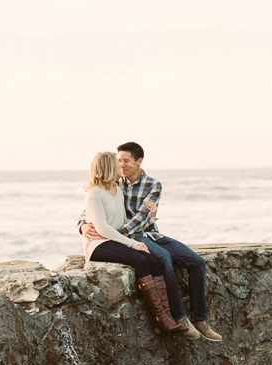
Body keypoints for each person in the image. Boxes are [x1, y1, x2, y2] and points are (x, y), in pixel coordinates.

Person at [79, 142, 222, 342]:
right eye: (118, 161)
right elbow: (89, 211)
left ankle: (201, 319)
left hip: (148, 233)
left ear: (139, 161)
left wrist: (115, 234)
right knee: (163, 258)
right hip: (131, 237)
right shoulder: (115, 183)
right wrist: (83, 226)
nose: (121, 165)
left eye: (126, 161)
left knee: (197, 262)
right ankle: (180, 317)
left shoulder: (153, 185)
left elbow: (143, 217)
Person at [83, 151, 185, 334]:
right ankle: (161, 319)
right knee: (141, 260)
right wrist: (132, 243)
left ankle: (166, 318)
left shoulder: (117, 189)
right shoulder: (94, 193)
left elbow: (122, 221)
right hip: (98, 245)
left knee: (151, 260)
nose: (120, 166)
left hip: (115, 240)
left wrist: (151, 216)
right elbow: (103, 229)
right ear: (108, 167)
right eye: (117, 163)